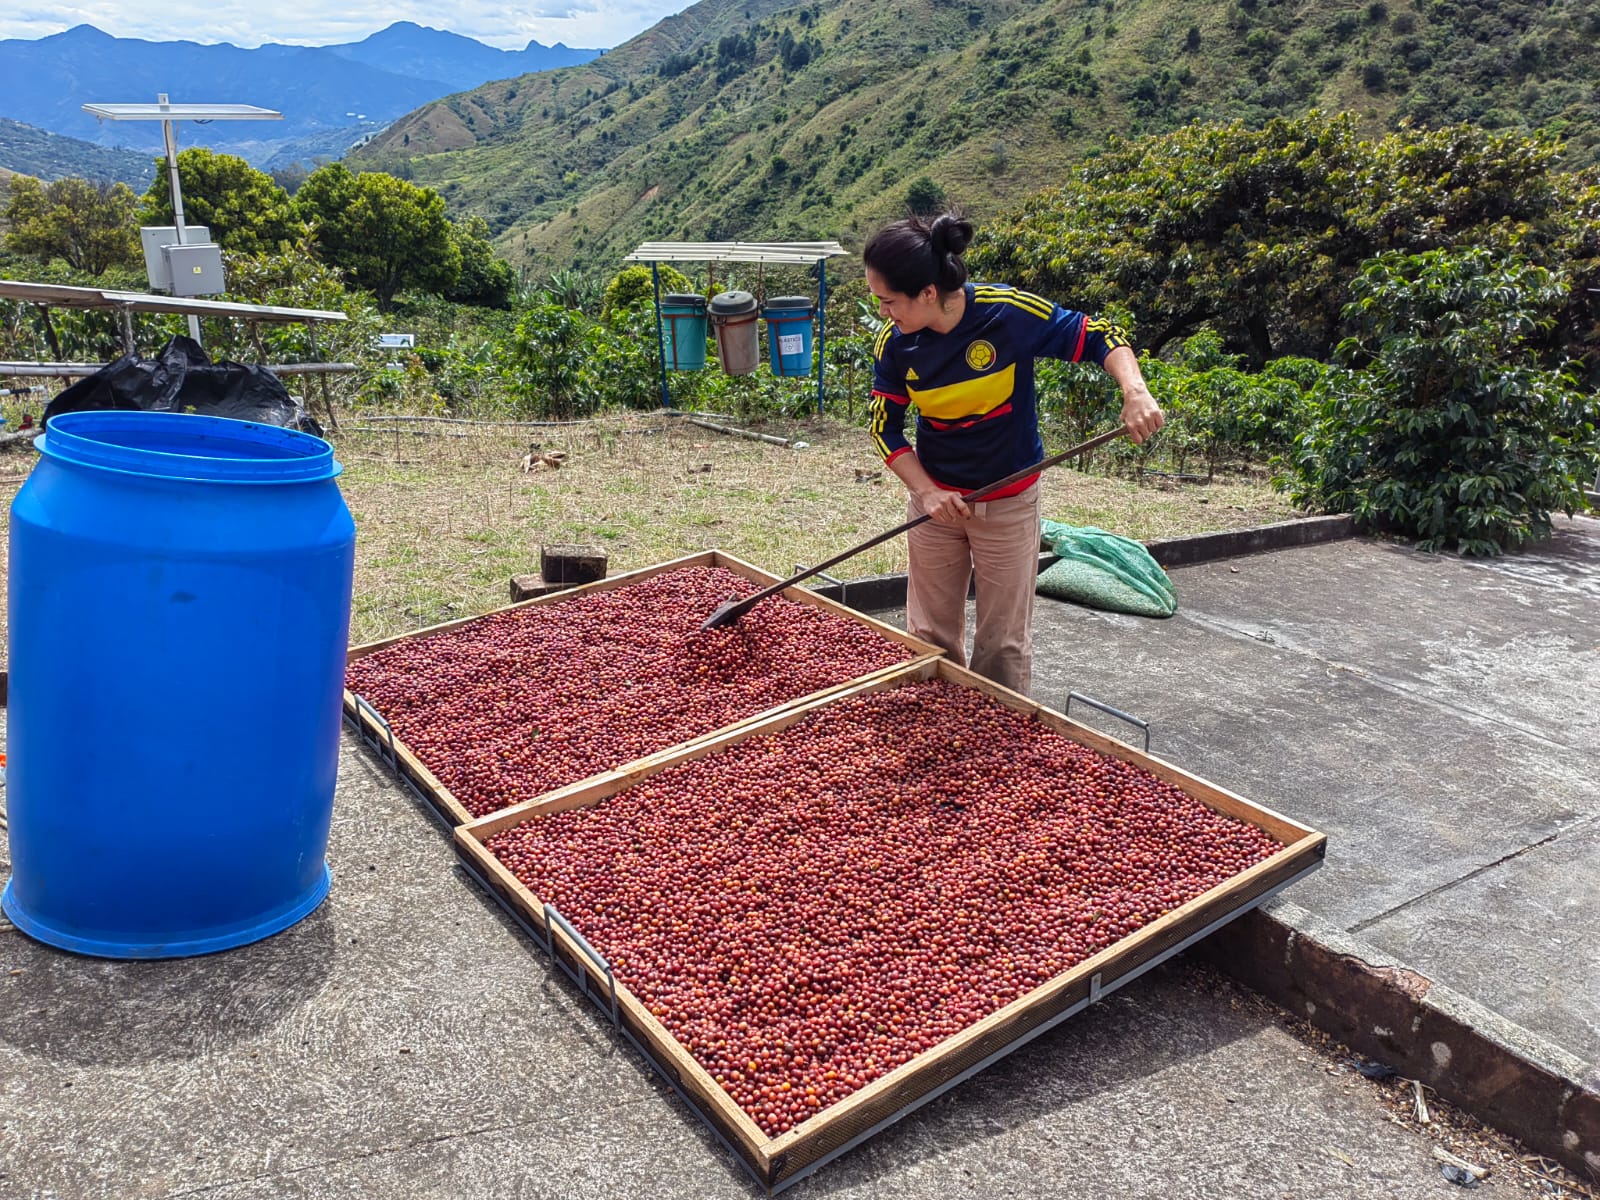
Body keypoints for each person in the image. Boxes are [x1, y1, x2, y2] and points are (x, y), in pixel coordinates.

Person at [864, 212, 1164, 695]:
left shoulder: (1007, 314)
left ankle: (997, 729)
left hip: (1009, 504)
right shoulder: (896, 345)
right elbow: (885, 428)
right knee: (927, 637)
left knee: (1003, 644)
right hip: (936, 507)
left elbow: (1098, 335)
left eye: (889, 301)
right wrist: (927, 492)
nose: (884, 313)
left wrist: (1135, 391)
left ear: (928, 292)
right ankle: (935, 718)